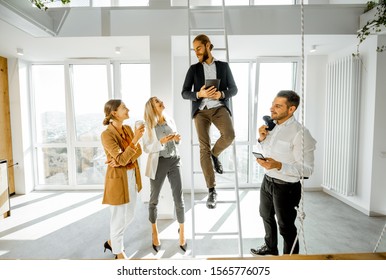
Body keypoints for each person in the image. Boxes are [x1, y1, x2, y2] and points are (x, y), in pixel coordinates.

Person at [250, 90, 316, 256]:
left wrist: (279, 165)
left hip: (286, 188)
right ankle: (271, 248)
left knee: (286, 227)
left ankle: (290, 260)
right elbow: (265, 151)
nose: (272, 108)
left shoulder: (301, 133)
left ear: (291, 109)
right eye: (273, 104)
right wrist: (261, 139)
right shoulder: (272, 128)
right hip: (267, 182)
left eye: (278, 106)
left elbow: (307, 170)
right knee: (265, 215)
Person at [181, 34, 238, 209]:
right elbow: (184, 93)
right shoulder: (193, 69)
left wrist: (221, 94)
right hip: (201, 112)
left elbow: (234, 89)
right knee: (203, 147)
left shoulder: (223, 66)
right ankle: (212, 190)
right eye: (194, 49)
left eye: (198, 48)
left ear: (207, 46)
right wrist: (200, 94)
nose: (196, 52)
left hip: (219, 108)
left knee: (229, 136)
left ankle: (215, 154)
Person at [100, 99, 145, 259]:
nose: (128, 109)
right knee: (118, 218)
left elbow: (137, 152)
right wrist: (133, 144)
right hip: (118, 180)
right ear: (114, 113)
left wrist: (121, 159)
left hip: (132, 176)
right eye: (124, 108)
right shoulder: (106, 135)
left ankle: (112, 241)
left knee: (130, 215)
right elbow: (125, 157)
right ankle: (118, 252)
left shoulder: (127, 128)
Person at [142, 97, 186, 252]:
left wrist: (177, 139)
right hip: (158, 163)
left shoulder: (170, 119)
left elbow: (176, 140)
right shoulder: (147, 126)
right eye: (157, 103)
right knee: (153, 199)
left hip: (174, 160)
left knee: (178, 198)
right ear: (152, 108)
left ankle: (182, 231)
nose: (162, 103)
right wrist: (161, 141)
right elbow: (146, 148)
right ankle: (154, 231)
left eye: (161, 101)